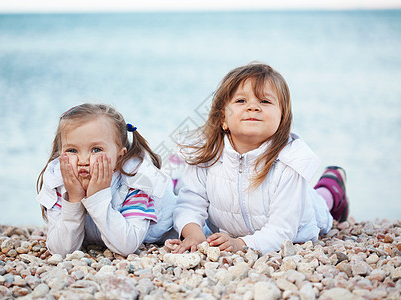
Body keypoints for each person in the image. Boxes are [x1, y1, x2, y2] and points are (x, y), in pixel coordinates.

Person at [170, 62, 349, 254]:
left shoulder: (290, 163)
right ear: (223, 119)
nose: (253, 107)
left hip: (301, 217)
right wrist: (193, 233)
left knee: (320, 205)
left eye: (265, 101)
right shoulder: (207, 155)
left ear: (282, 119)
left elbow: (282, 230)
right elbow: (189, 203)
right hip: (238, 226)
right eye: (241, 101)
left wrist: (241, 244)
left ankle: (333, 184)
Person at [36, 103, 177, 257]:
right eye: (72, 150)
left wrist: (97, 197)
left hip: (170, 224)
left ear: (120, 156)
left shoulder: (135, 182)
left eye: (96, 150)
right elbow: (61, 251)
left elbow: (127, 246)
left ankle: (175, 179)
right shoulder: (59, 182)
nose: (83, 160)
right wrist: (74, 200)